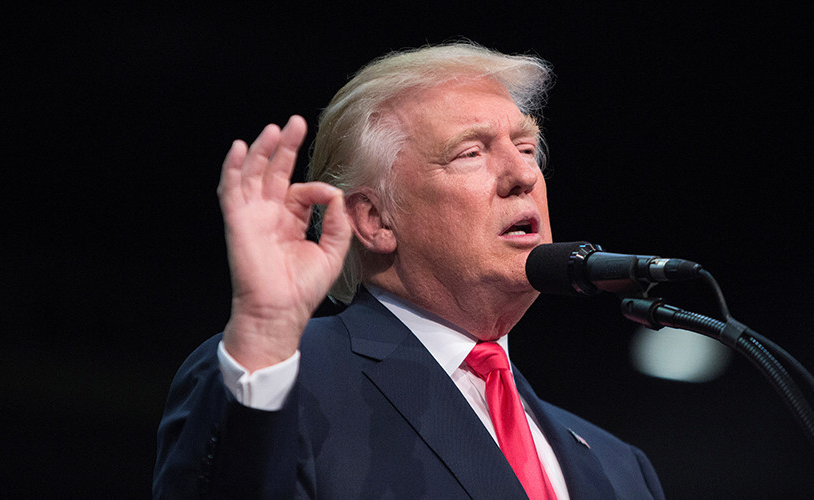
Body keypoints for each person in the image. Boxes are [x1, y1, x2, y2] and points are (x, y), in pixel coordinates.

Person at [154, 42, 665, 499]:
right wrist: (264, 336)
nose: (524, 175)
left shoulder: (619, 467)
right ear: (375, 220)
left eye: (528, 149)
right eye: (470, 153)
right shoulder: (281, 378)